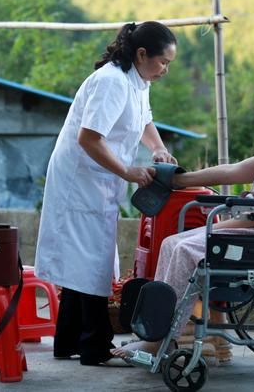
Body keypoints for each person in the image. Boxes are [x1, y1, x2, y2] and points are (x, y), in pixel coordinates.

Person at [112, 79, 254, 359]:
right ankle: (157, 333)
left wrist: (217, 227)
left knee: (185, 249)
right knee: (172, 243)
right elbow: (236, 171)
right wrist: (179, 180)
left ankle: (161, 339)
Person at [35, 21, 178, 366]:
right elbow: (89, 138)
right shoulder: (111, 81)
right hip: (80, 178)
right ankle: (95, 345)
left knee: (85, 258)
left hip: (99, 178)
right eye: (163, 62)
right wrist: (128, 171)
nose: (165, 70)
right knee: (91, 261)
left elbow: (143, 121)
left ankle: (68, 340)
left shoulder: (139, 80)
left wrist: (157, 148)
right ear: (142, 54)